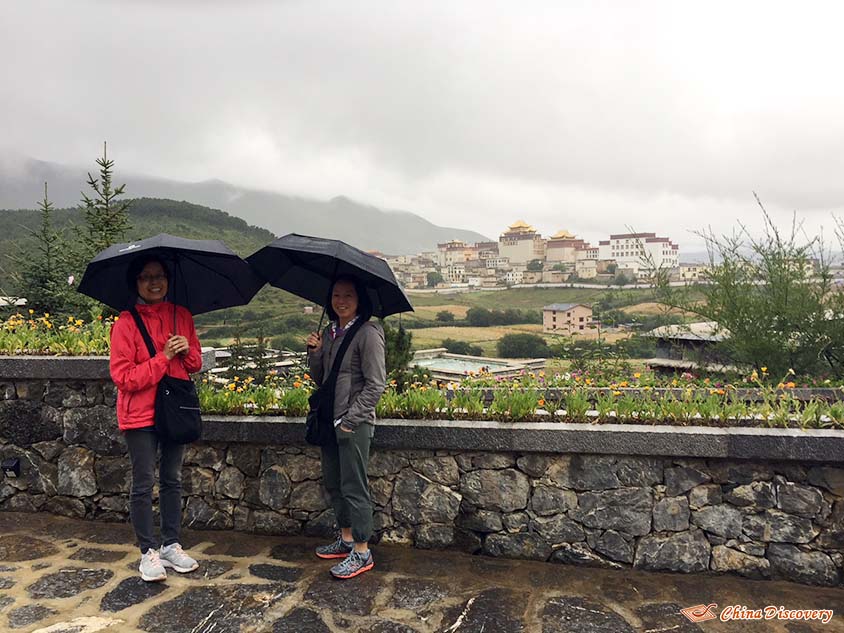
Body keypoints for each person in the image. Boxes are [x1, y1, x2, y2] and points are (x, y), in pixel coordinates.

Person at [109, 256, 202, 582]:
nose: (154, 282)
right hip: (140, 414)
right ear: (136, 282)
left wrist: (186, 349)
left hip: (173, 412)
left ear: (168, 279)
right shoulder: (125, 323)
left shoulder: (182, 316)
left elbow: (195, 364)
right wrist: (163, 358)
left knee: (173, 479)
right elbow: (124, 378)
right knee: (144, 482)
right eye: (146, 277)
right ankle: (148, 552)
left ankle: (171, 544)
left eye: (159, 275)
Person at [306, 275, 386, 579]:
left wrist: (350, 421)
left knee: (354, 486)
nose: (341, 301)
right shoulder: (330, 332)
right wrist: (314, 353)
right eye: (336, 295)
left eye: (348, 295)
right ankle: (346, 539)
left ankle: (362, 552)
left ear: (359, 299)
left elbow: (376, 384)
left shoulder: (368, 332)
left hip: (353, 423)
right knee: (335, 484)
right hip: (329, 420)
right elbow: (321, 378)